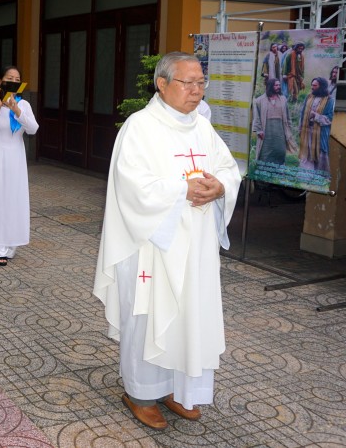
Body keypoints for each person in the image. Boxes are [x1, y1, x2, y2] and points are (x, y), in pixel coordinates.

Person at [93, 52, 240, 431]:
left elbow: (227, 167)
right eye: (187, 83)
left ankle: (177, 387)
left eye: (200, 83)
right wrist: (182, 191)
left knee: (189, 314)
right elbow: (131, 186)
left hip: (196, 247)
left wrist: (220, 185)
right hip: (151, 246)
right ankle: (140, 392)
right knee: (150, 314)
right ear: (162, 84)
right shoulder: (140, 127)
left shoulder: (201, 127)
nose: (196, 91)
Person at [0, 66, 39, 266]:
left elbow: (33, 128)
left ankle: (11, 243)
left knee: (13, 199)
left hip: (15, 158)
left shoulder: (24, 105)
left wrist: (16, 109)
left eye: (17, 78)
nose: (13, 81)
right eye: (9, 78)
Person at [252, 79, 297, 165]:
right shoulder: (259, 100)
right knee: (265, 153)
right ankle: (263, 173)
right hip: (266, 131)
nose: (278, 87)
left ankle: (278, 173)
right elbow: (256, 117)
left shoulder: (283, 99)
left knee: (280, 151)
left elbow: (287, 117)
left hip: (280, 131)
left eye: (279, 85)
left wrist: (289, 130)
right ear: (270, 86)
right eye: (276, 85)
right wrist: (259, 130)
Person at [298, 76, 335, 173]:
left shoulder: (329, 100)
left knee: (320, 154)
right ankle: (306, 176)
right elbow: (302, 113)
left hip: (320, 133)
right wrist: (300, 127)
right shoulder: (309, 97)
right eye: (312, 85)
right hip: (307, 132)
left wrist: (316, 116)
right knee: (307, 154)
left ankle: (319, 177)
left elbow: (330, 118)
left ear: (321, 87)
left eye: (314, 85)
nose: (312, 87)